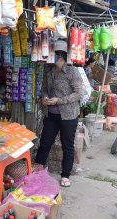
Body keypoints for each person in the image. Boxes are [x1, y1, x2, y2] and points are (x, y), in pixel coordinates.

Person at [35, 40, 84, 187]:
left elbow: (79, 94)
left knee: (67, 145)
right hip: (51, 114)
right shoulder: (48, 70)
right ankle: (37, 170)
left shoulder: (72, 71)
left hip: (68, 115)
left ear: (60, 56)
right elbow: (44, 89)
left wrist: (59, 100)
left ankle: (65, 175)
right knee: (44, 143)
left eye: (52, 55)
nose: (49, 57)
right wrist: (44, 98)